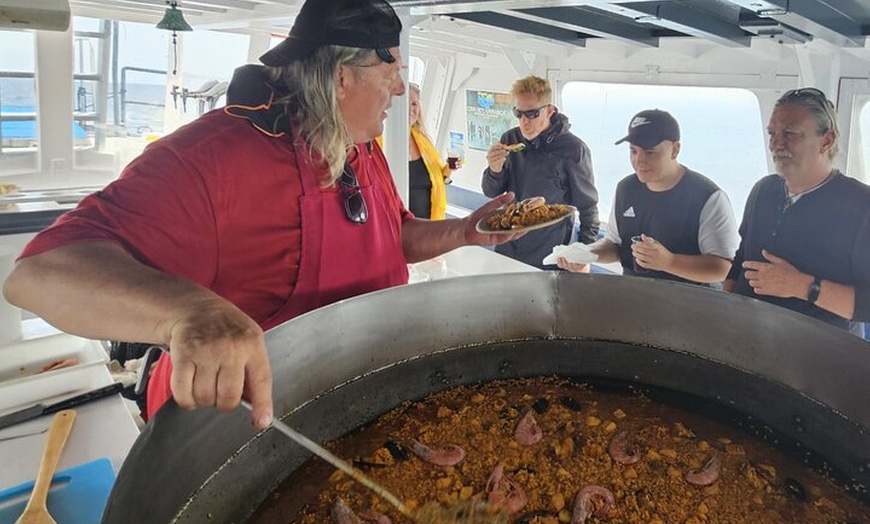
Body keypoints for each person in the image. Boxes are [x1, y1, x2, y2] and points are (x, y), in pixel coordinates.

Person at [1, 0, 522, 430]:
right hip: (243, 423)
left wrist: (462, 231)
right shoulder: (212, 157)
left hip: (355, 397)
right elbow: (40, 273)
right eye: (392, 73)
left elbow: (395, 234)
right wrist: (190, 313)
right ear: (342, 77)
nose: (400, 90)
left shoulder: (359, 148)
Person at [723, 88, 870, 336]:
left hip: (817, 356)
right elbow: (741, 258)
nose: (777, 144)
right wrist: (722, 310)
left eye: (790, 134)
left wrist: (802, 286)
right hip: (748, 343)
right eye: (772, 134)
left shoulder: (860, 205)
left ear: (827, 140)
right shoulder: (763, 190)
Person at [557, 109, 739, 286]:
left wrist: (670, 262)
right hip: (635, 299)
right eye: (633, 151)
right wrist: (586, 253)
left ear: (675, 150)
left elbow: (722, 267)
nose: (639, 160)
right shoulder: (625, 189)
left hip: (689, 306)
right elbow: (615, 244)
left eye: (650, 152)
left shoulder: (709, 198)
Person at [482, 75, 599, 269]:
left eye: (532, 114)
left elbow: (588, 207)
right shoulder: (510, 138)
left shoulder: (573, 149)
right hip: (507, 245)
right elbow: (491, 192)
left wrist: (584, 255)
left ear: (550, 111)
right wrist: (494, 170)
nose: (524, 121)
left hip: (548, 253)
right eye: (519, 114)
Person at [408, 83, 456, 219]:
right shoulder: (380, 143)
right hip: (395, 227)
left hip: (428, 224)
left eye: (414, 104)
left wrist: (450, 168)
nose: (410, 109)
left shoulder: (423, 142)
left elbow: (439, 179)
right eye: (405, 103)